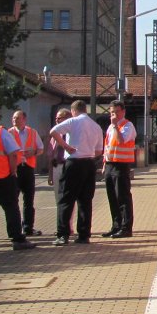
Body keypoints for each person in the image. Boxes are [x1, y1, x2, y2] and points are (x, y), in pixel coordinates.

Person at [48, 100, 103, 245]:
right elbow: (99, 150)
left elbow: (53, 132)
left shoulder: (73, 121)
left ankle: (63, 235)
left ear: (73, 111)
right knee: (85, 200)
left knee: (66, 199)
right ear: (85, 109)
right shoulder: (95, 126)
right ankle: (84, 235)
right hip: (89, 163)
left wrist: (66, 146)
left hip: (73, 162)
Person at [0, 107, 36, 251]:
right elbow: (13, 153)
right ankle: (17, 238)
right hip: (2, 176)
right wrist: (13, 171)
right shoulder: (0, 131)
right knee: (11, 206)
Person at [101, 100, 137, 237]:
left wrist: (115, 125)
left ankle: (126, 228)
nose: (114, 115)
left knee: (123, 197)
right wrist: (104, 163)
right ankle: (116, 225)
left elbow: (122, 140)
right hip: (110, 164)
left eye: (116, 112)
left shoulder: (128, 126)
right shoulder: (111, 127)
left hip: (121, 165)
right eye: (111, 112)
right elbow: (108, 147)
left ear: (123, 112)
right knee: (112, 197)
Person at [9, 110, 44, 236]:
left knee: (29, 200)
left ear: (24, 119)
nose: (14, 120)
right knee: (13, 200)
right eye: (13, 118)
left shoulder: (32, 132)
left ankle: (28, 227)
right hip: (15, 169)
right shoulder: (9, 133)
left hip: (28, 168)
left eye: (17, 118)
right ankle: (15, 228)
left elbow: (41, 148)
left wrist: (33, 152)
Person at [46, 107, 70, 205]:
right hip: (56, 167)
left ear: (67, 119)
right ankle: (61, 219)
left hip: (67, 167)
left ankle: (67, 220)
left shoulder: (71, 134)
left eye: (59, 118)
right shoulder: (55, 135)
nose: (57, 120)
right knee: (58, 198)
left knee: (67, 198)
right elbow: (51, 156)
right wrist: (50, 174)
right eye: (56, 118)